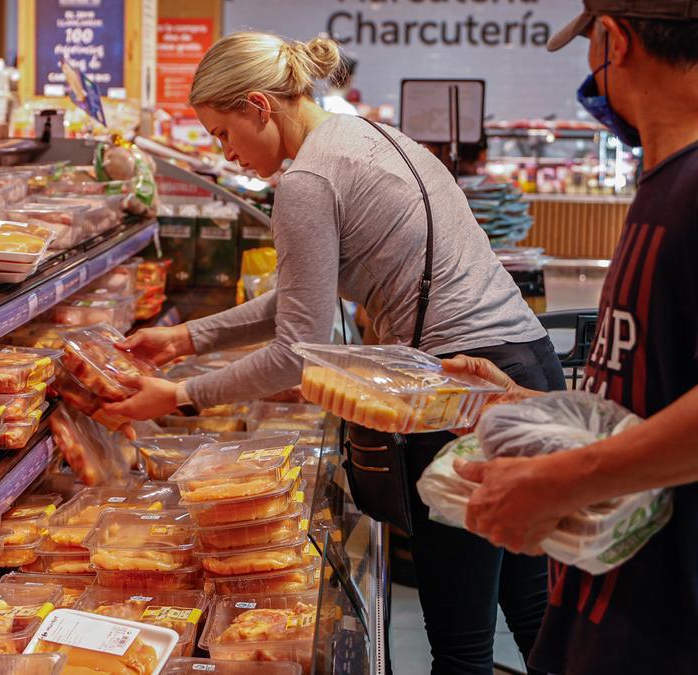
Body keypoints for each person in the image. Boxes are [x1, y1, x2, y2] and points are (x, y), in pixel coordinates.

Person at [102, 31, 566, 674]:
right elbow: (302, 294)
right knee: (532, 603)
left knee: (461, 644)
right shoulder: (373, 137)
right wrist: (187, 338)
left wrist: (180, 395)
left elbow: (298, 350)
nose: (227, 153)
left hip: (460, 390)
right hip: (523, 361)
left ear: (260, 106)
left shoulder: (307, 181)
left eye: (222, 133)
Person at [444, 3, 698, 673]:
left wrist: (555, 481)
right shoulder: (664, 184)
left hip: (667, 625)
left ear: (613, 39)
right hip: (617, 603)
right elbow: (651, 393)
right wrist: (525, 405)